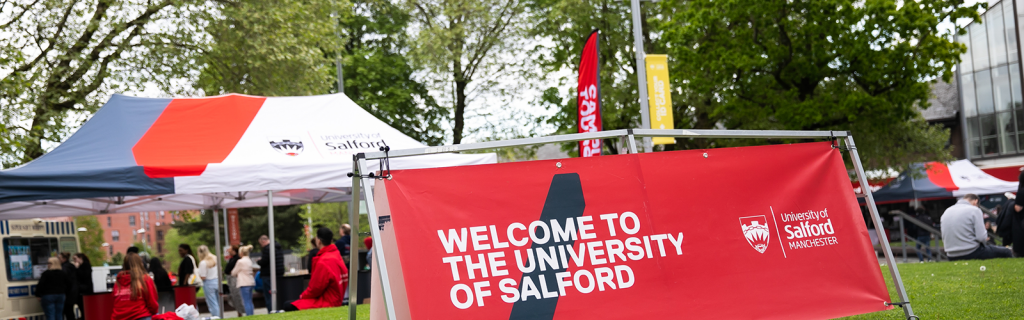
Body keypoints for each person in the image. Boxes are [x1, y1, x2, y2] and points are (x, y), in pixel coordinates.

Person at [283, 227, 348, 312]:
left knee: (288, 305)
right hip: (336, 299)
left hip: (326, 302)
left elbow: (315, 288)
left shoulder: (324, 260)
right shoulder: (336, 255)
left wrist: (302, 296)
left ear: (318, 241)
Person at [941, 194, 1014, 261]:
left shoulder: (947, 211)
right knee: (1006, 251)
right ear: (976, 202)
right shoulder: (975, 210)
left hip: (951, 254)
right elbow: (981, 237)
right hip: (971, 252)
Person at [111, 253, 158, 320]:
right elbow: (152, 303)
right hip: (141, 316)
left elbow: (114, 302)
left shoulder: (118, 281)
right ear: (140, 264)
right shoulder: (145, 278)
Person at [257, 235, 284, 312]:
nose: (261, 246)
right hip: (279, 273)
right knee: (278, 294)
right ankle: (279, 308)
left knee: (269, 295)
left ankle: (271, 310)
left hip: (268, 274)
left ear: (263, 241)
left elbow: (264, 261)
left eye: (261, 244)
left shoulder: (267, 249)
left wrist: (259, 261)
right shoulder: (278, 247)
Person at [231, 245, 256, 316]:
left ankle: (248, 315)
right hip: (250, 281)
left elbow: (233, 272)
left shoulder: (240, 261)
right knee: (250, 301)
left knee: (246, 301)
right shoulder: (249, 260)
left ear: (241, 253)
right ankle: (251, 314)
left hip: (244, 282)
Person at [195, 245, 220, 317]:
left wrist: (197, 274)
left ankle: (216, 317)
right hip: (217, 281)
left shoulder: (203, 263)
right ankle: (219, 316)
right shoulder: (215, 259)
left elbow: (203, 277)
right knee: (217, 302)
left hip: (208, 283)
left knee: (212, 303)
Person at [224, 245, 246, 317]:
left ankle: (241, 311)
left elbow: (233, 270)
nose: (228, 251)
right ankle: (239, 312)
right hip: (231, 280)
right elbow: (227, 270)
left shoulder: (237, 259)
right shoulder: (232, 259)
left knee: (237, 296)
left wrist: (232, 272)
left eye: (230, 249)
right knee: (233, 296)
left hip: (235, 280)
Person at [72, 253, 93, 319]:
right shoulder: (81, 266)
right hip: (82, 290)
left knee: (84, 308)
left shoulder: (85, 265)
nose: (75, 261)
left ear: (80, 258)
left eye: (75, 259)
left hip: (85, 290)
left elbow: (84, 276)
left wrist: (77, 268)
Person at [59, 252, 78, 320]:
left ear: (64, 259)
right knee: (70, 312)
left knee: (67, 312)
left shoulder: (64, 268)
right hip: (72, 292)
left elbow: (66, 281)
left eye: (59, 258)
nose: (58, 259)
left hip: (67, 293)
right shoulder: (71, 266)